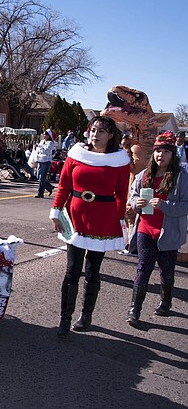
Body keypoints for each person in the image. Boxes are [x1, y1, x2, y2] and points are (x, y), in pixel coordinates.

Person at [49, 116, 131, 337]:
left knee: (93, 271)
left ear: (111, 135)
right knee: (72, 270)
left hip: (102, 219)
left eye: (102, 131)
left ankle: (86, 315)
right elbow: (64, 185)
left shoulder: (120, 160)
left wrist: (121, 222)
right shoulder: (76, 154)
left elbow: (122, 195)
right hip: (75, 216)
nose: (96, 134)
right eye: (93, 130)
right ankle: (64, 318)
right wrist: (56, 212)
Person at [125, 132, 188, 324]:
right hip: (146, 229)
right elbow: (133, 196)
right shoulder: (145, 175)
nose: (161, 155)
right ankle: (134, 310)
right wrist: (137, 203)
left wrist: (164, 206)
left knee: (166, 271)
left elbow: (186, 205)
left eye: (166, 152)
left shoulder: (182, 177)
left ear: (173, 155)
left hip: (168, 232)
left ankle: (165, 302)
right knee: (143, 269)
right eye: (158, 151)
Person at [34, 129, 56, 198]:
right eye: (43, 134)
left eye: (46, 135)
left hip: (46, 161)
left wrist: (40, 146)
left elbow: (47, 150)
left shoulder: (51, 143)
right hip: (39, 160)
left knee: (42, 178)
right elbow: (38, 150)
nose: (44, 136)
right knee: (38, 176)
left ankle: (40, 193)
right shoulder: (41, 141)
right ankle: (49, 187)